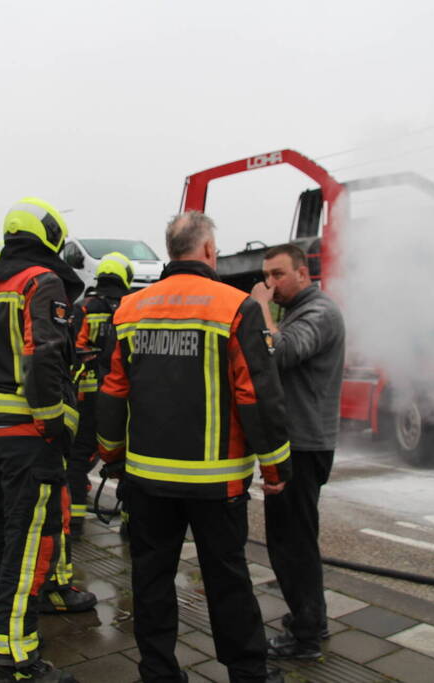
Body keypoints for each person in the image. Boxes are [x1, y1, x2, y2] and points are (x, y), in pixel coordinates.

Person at [98, 211, 292, 683]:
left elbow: (112, 391)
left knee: (150, 580)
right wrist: (276, 470)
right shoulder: (235, 307)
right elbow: (256, 395)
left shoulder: (130, 309)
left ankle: (158, 672)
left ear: (171, 251)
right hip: (216, 483)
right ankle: (248, 674)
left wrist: (112, 455)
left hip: (147, 480)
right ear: (207, 250)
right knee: (227, 581)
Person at [0, 197, 94, 683]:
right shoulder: (41, 282)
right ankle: (19, 660)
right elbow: (44, 356)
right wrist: (52, 425)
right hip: (28, 439)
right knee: (27, 545)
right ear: (50, 235)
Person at [249, 243, 346, 661]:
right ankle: (309, 619)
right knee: (291, 539)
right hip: (298, 442)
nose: (270, 284)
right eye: (266, 276)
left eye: (278, 274)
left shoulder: (319, 312)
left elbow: (280, 351)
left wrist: (260, 307)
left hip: (304, 445)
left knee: (292, 543)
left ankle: (306, 637)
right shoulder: (300, 310)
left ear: (303, 274)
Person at [67, 251, 133, 536]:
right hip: (123, 396)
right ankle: (131, 523)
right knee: (129, 457)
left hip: (88, 395)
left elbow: (74, 351)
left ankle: (74, 520)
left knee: (78, 456)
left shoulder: (83, 308)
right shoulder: (132, 307)